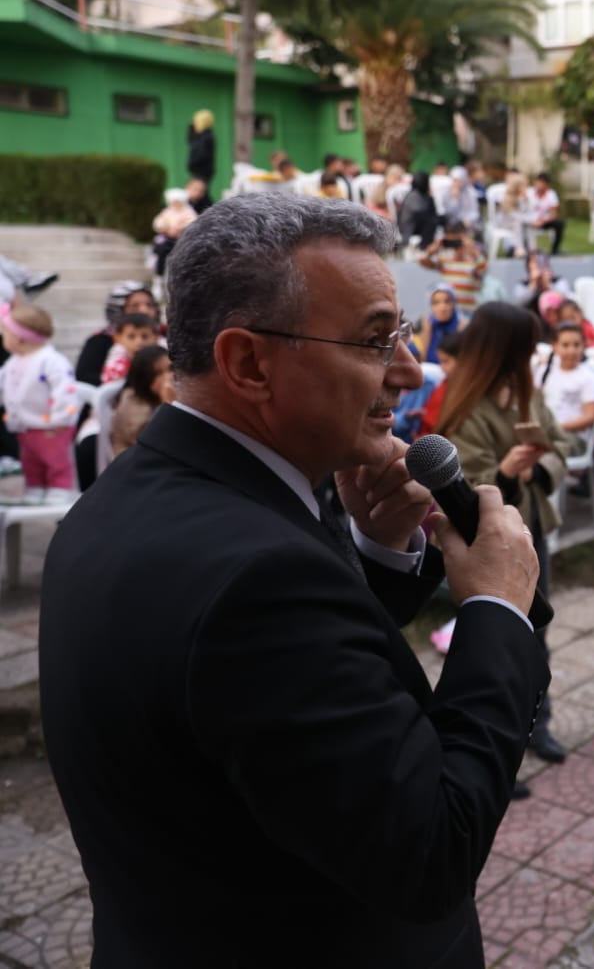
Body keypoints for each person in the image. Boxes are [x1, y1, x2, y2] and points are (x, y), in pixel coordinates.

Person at [40, 192, 550, 964]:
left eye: (404, 334)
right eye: (377, 340)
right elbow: (429, 851)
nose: (409, 372)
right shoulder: (256, 580)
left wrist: (370, 555)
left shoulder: (137, 496)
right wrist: (496, 613)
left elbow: (277, 707)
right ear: (248, 362)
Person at [433, 301, 573, 767]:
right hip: (488, 547)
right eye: (527, 348)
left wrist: (537, 468)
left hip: (532, 532)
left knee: (536, 631)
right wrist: (506, 471)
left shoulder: (528, 394)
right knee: (495, 642)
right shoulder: (466, 404)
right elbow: (465, 487)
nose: (532, 357)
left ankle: (539, 723)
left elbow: (563, 444)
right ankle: (499, 744)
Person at [1, 302, 80, 503]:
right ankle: (35, 487)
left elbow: (66, 389)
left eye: (5, 334)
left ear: (19, 338)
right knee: (30, 460)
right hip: (26, 424)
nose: (3, 339)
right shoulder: (14, 362)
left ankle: (60, 487)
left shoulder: (51, 360)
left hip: (52, 424)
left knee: (55, 459)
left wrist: (62, 416)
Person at [537, 323, 594, 462]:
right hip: (546, 431)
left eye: (576, 345)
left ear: (584, 345)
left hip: (573, 438)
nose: (571, 351)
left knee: (539, 452)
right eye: (565, 345)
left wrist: (556, 427)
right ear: (554, 346)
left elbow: (590, 417)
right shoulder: (546, 371)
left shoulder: (588, 377)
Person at [109, 343, 175, 459]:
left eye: (170, 369)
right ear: (145, 379)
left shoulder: (178, 392)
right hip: (134, 461)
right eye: (159, 373)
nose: (168, 377)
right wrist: (167, 405)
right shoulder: (132, 399)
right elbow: (148, 441)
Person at [420, 221, 487, 315]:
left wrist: (472, 249)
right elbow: (422, 261)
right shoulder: (445, 262)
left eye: (458, 242)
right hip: (450, 316)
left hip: (469, 315)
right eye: (451, 242)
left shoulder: (473, 264)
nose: (456, 247)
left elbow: (483, 268)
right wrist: (435, 247)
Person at [100, 312, 160, 384]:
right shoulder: (116, 366)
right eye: (131, 337)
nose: (139, 342)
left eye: (145, 336)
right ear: (117, 339)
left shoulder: (162, 362)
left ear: (156, 338)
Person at [411, 285, 463, 366]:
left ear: (453, 303)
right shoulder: (425, 324)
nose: (442, 307)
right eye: (436, 303)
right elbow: (419, 358)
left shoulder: (462, 326)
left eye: (447, 301)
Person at [397, 171, 439, 245]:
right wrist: (430, 198)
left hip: (415, 225)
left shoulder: (419, 195)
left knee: (437, 220)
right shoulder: (414, 196)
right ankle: (424, 247)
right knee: (432, 222)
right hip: (409, 228)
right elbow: (422, 214)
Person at [528, 173, 565, 255]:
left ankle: (555, 249)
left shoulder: (551, 194)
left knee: (560, 223)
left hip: (544, 221)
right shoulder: (529, 193)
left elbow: (554, 213)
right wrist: (532, 221)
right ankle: (524, 249)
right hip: (529, 220)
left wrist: (543, 221)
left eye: (542, 183)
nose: (539, 185)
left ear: (546, 184)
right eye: (538, 182)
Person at [185, 109, 215, 201]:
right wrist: (190, 127)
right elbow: (190, 141)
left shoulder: (207, 136)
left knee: (199, 193)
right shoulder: (199, 136)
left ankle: (208, 210)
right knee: (199, 193)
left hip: (203, 170)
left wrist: (193, 163)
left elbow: (202, 154)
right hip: (198, 170)